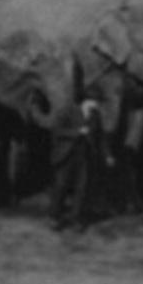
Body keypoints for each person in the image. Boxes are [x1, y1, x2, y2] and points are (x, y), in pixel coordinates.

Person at [50, 98, 101, 232]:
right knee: (61, 186)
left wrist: (107, 155)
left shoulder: (95, 116)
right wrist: (77, 132)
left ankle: (76, 219)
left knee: (82, 188)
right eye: (96, 101)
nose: (97, 105)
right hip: (66, 156)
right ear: (87, 101)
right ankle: (56, 217)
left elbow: (100, 137)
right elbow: (57, 130)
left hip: (84, 157)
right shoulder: (68, 111)